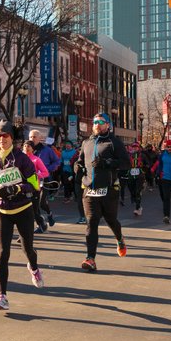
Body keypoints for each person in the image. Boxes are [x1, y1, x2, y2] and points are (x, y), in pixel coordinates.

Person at [0, 121, 43, 310]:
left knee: (27, 249)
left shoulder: (22, 159)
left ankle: (33, 267)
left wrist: (16, 189)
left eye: (5, 136)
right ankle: (2, 296)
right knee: (2, 254)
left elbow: (35, 185)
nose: (1, 140)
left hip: (23, 210)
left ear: (12, 138)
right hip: (3, 212)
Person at [72, 113, 131, 272]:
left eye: (101, 122)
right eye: (95, 121)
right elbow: (80, 161)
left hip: (109, 190)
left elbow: (126, 163)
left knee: (111, 220)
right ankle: (90, 258)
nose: (97, 124)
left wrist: (107, 163)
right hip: (90, 190)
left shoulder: (114, 142)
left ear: (107, 125)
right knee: (91, 222)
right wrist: (77, 168)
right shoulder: (87, 142)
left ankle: (119, 238)